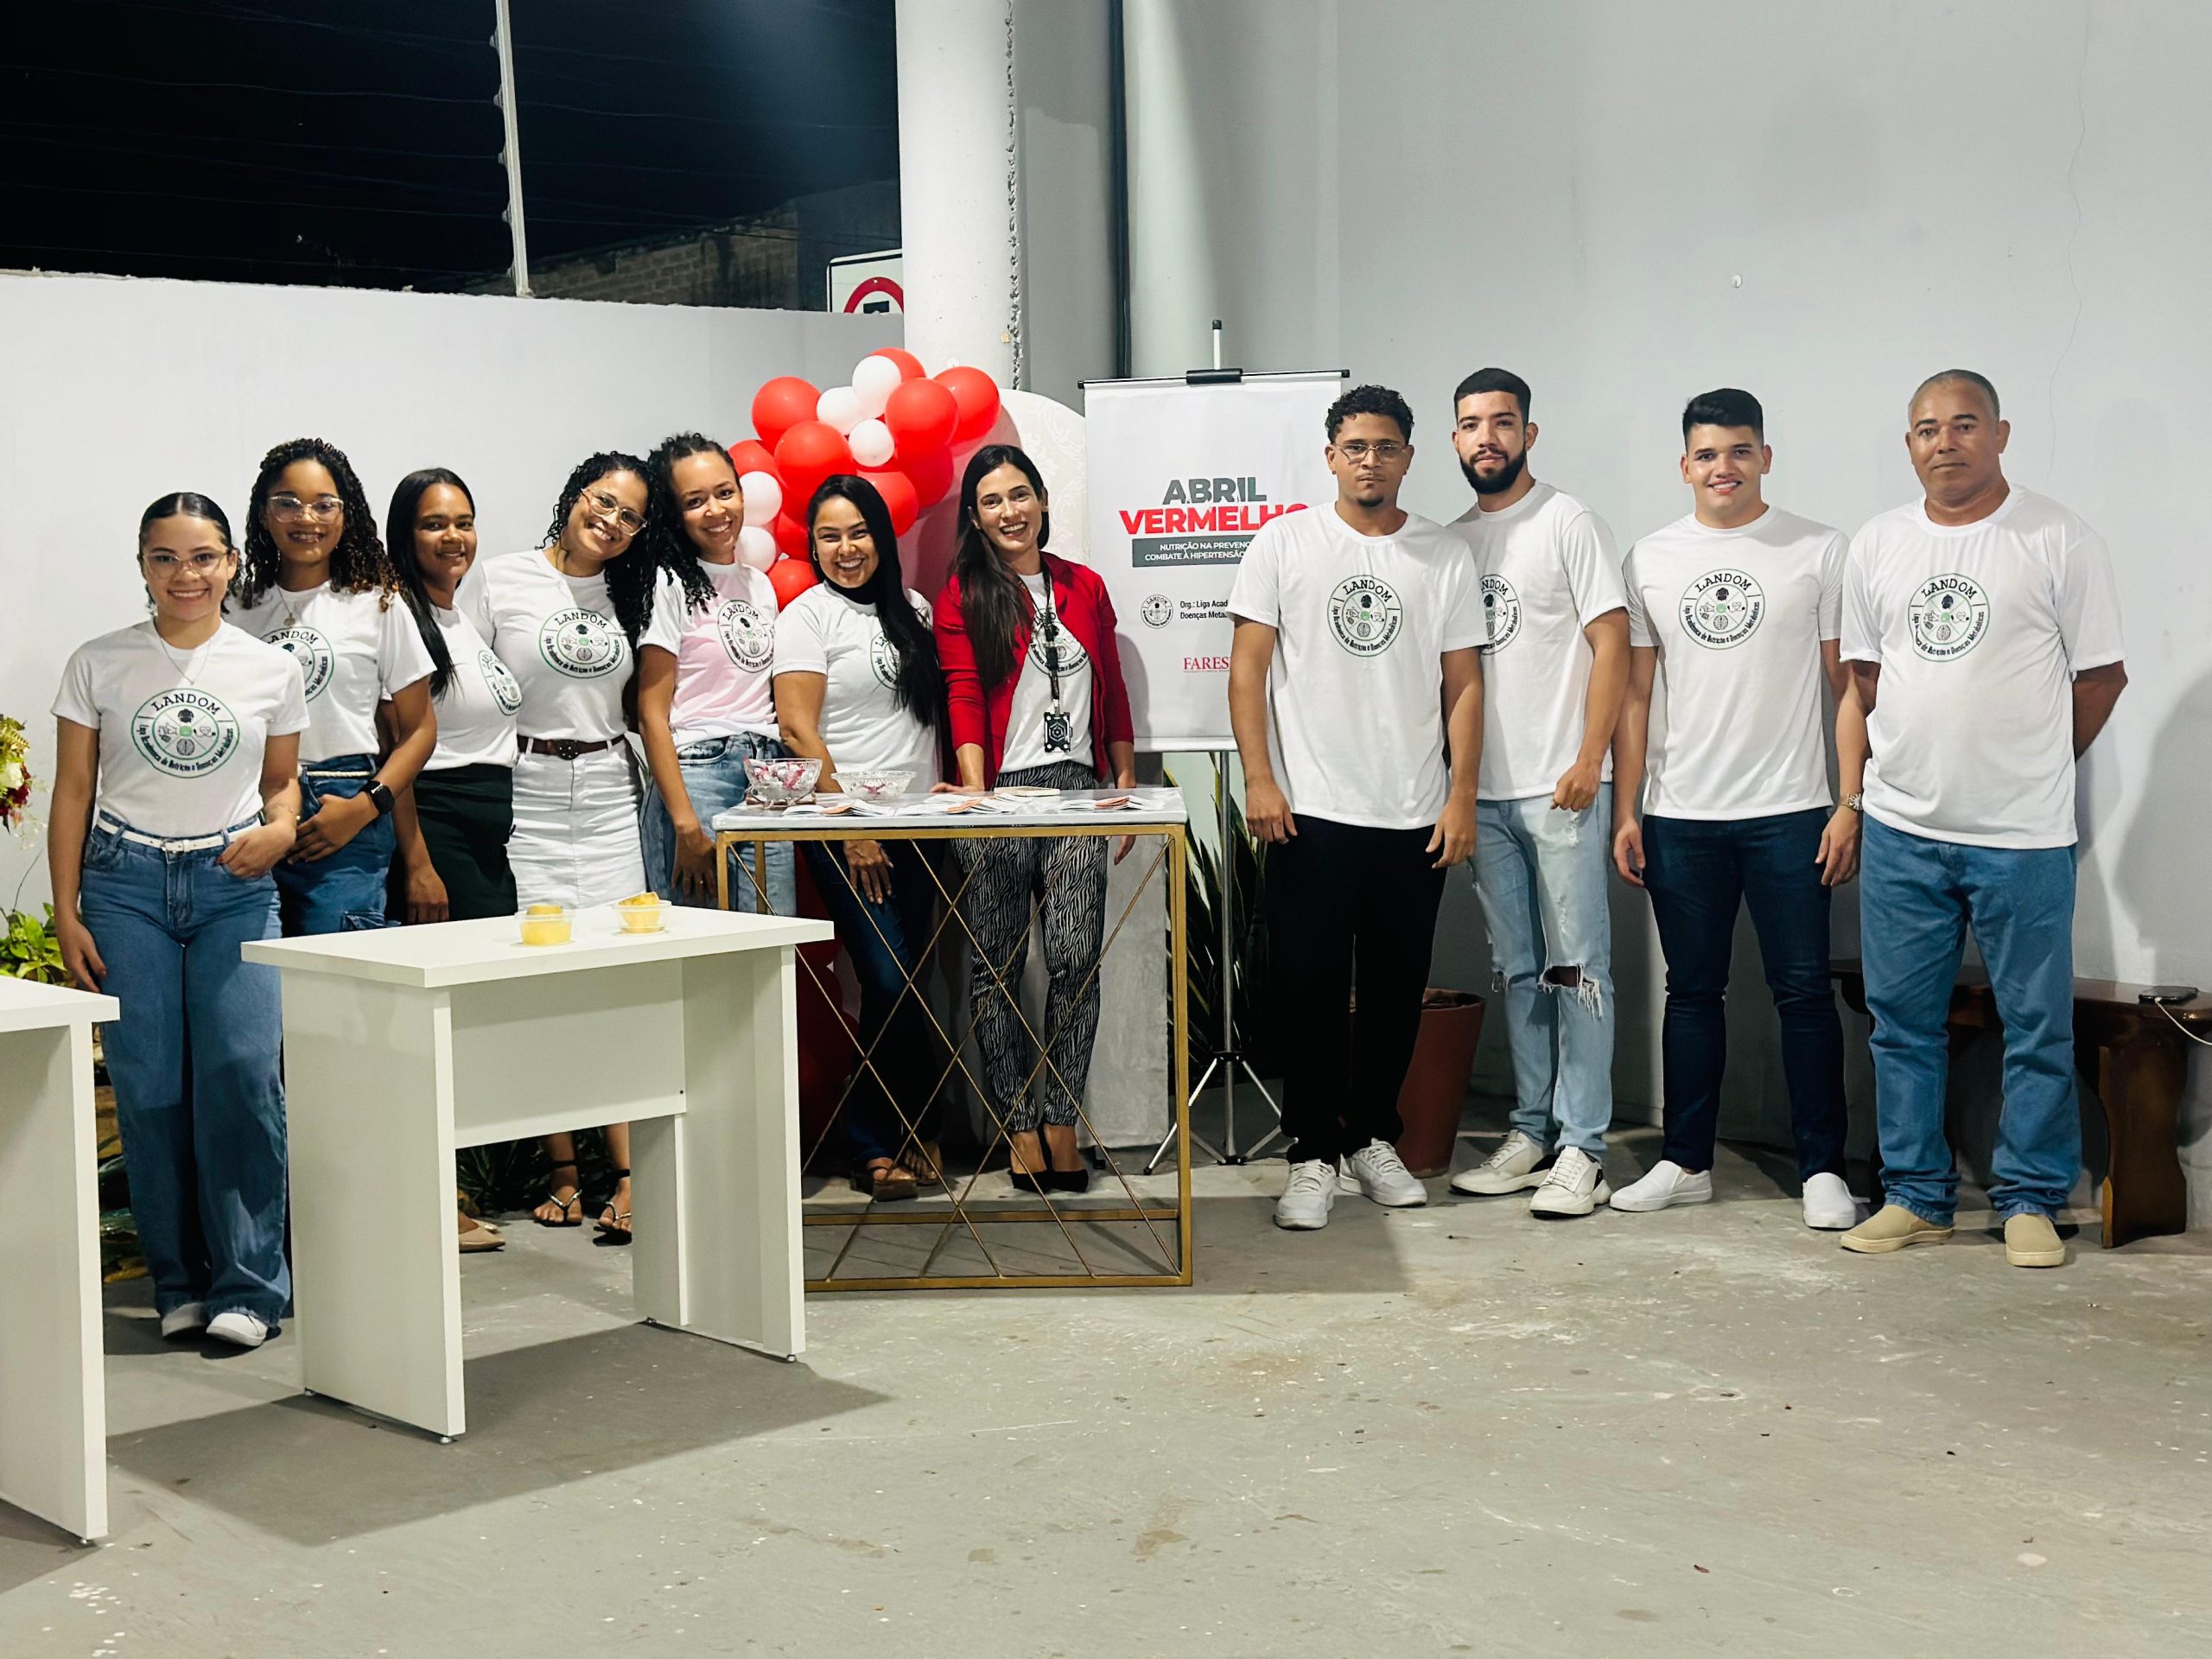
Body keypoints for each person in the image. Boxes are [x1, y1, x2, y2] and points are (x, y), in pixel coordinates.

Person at [1839, 371, 2126, 1269]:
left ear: (1999, 434)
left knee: (2035, 1025)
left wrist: (2035, 761)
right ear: (1909, 446)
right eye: (1927, 429)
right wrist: (1873, 791)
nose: (1946, 442)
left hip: (2022, 835)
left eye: (1964, 425)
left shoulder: (2057, 539)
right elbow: (1865, 679)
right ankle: (1916, 1197)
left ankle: (2030, 1199)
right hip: (1902, 830)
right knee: (1901, 1024)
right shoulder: (1878, 543)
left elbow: (2101, 677)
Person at [48, 493, 307, 1351]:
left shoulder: (270, 668)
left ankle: (251, 1288)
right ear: (142, 565)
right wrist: (66, 911)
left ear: (231, 563)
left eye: (202, 557)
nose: (185, 575)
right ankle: (178, 1283)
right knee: (149, 1089)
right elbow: (73, 793)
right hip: (123, 889)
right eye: (165, 558)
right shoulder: (98, 662)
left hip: (235, 885)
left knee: (243, 1076)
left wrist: (280, 829)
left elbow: (282, 784)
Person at [1228, 384, 1484, 1232]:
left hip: (1412, 811)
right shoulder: (1284, 542)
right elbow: (1247, 670)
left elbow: (1462, 684)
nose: (1370, 460)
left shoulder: (1443, 554)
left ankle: (1372, 1137)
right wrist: (1259, 779)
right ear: (1331, 456)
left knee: (1391, 992)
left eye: (1386, 447)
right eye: (1356, 447)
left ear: (1409, 457)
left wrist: (1459, 795)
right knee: (1307, 990)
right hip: (1310, 810)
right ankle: (1311, 1153)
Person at [1609, 389, 1865, 1229]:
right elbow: (1635, 695)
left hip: (1791, 811)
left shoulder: (1819, 550)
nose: (1724, 467)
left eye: (1740, 451)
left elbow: (1846, 688)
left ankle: (1822, 1170)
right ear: (1685, 465)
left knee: (1803, 994)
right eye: (1708, 454)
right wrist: (1628, 809)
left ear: (1765, 458)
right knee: (1691, 993)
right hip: (1680, 815)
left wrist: (1848, 802)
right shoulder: (1650, 557)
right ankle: (1685, 1162)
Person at [460, 453, 659, 1243]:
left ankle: (631, 1174)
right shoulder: (502, 579)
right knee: (541, 982)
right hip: (528, 787)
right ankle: (565, 1171)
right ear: (574, 497)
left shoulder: (633, 592)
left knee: (620, 980)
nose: (611, 522)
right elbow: (466, 685)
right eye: (602, 502)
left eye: (630, 516)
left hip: (609, 790)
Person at [1445, 368, 1629, 1219]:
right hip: (1485, 796)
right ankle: (1530, 1131)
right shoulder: (1451, 543)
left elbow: (1611, 641)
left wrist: (1591, 757)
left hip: (1563, 789)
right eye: (1471, 424)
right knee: (1518, 970)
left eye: (1502, 422)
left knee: (1576, 970)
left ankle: (1583, 1148)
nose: (1487, 437)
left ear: (1529, 433)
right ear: (1455, 439)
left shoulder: (1567, 521)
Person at [935, 444, 1139, 1194]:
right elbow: (962, 692)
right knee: (994, 966)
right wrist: (976, 792)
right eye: (991, 501)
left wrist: (1125, 781)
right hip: (1001, 792)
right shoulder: (963, 594)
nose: (1009, 512)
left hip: (1079, 793)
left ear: (1043, 500)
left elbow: (1112, 686)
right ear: (975, 516)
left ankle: (1062, 1121)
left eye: (1019, 495)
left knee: (1075, 960)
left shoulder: (1085, 585)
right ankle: (1019, 1125)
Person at [772, 474, 949, 1202]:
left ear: (882, 535)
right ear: (813, 546)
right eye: (829, 537)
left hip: (922, 827)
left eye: (859, 532)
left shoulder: (914, 609)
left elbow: (925, 719)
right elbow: (796, 729)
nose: (846, 549)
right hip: (845, 827)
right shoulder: (806, 618)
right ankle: (874, 1139)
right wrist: (850, 824)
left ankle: (899, 1132)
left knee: (908, 983)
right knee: (887, 978)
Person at [229, 438, 435, 934]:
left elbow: (419, 731)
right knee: (255, 968)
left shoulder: (377, 603)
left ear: (346, 515)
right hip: (246, 804)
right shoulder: (233, 607)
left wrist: (366, 806)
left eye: (324, 505)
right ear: (263, 514)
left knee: (335, 967)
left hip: (342, 802)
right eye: (288, 503)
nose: (307, 518)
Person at [385, 467, 516, 1254]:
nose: (453, 536)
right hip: (437, 825)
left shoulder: (459, 615)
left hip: (487, 833)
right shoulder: (400, 617)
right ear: (405, 534)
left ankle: (456, 1189)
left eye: (463, 521)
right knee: (441, 1025)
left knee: (472, 1020)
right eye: (434, 523)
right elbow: (398, 749)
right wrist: (417, 860)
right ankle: (437, 1201)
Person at [636, 433, 795, 917]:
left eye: (725, 493)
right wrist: (685, 825)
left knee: (774, 936)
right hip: (698, 772)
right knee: (704, 943)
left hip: (767, 779)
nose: (715, 510)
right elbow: (651, 714)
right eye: (695, 501)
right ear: (674, 513)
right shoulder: (667, 583)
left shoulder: (758, 584)